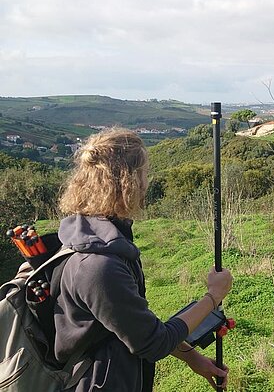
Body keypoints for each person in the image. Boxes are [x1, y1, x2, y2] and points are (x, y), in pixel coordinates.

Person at [54, 127, 233, 391]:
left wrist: (192, 357)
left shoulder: (92, 235)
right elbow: (154, 342)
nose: (146, 183)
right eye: (144, 174)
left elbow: (136, 326)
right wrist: (213, 297)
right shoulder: (98, 266)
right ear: (129, 181)